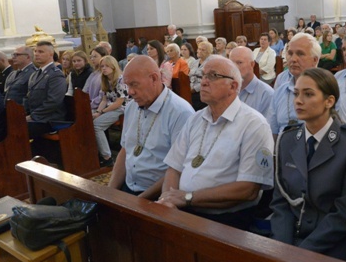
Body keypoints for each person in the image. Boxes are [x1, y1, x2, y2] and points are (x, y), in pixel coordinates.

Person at [158, 56, 274, 231]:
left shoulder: (254, 124)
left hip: (226, 220)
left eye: (213, 76)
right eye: (202, 75)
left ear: (233, 86)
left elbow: (248, 189)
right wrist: (167, 200)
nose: (203, 82)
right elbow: (174, 167)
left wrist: (188, 197)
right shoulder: (195, 119)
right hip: (183, 210)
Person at [271, 68, 346, 262]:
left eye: (308, 94)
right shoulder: (287, 139)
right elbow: (281, 202)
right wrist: (282, 246)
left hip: (333, 244)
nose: (298, 100)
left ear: (329, 101)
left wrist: (302, 252)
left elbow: (345, 212)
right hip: (290, 241)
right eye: (296, 93)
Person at [108, 56, 194, 198]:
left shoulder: (180, 113)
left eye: (134, 85)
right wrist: (110, 192)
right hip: (129, 186)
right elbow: (125, 150)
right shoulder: (131, 107)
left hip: (159, 194)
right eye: (127, 85)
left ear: (154, 78)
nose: (130, 92)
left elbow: (179, 169)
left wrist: (140, 201)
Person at [269, 33, 321, 135]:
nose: (293, 59)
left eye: (300, 54)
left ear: (314, 60)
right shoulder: (280, 92)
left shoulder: (326, 89)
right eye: (290, 53)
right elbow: (273, 132)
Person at [24, 41, 68, 138]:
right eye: (35, 51)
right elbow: (28, 98)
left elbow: (53, 101)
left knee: (19, 129)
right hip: (38, 118)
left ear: (51, 54)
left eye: (41, 52)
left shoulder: (56, 74)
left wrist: (32, 117)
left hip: (50, 119)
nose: (36, 54)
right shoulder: (34, 74)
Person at [92, 55, 128, 166]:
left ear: (113, 67)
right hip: (111, 107)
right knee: (90, 119)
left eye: (107, 66)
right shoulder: (105, 80)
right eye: (102, 66)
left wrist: (102, 112)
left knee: (96, 125)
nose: (104, 68)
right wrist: (97, 112)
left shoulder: (121, 79)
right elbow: (104, 100)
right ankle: (96, 154)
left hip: (122, 108)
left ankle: (107, 157)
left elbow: (119, 102)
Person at [230, 46, 274, 118]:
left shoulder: (266, 94)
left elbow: (267, 126)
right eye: (231, 63)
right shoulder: (226, 89)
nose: (234, 67)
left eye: (239, 62)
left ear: (252, 64)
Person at [83, 46, 108, 111]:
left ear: (103, 56)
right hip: (90, 105)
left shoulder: (106, 73)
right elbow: (85, 90)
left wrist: (91, 104)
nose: (92, 59)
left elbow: (102, 96)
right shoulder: (93, 74)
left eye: (95, 56)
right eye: (91, 57)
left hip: (101, 106)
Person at [189, 41, 213, 110]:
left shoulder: (211, 63)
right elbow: (190, 76)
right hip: (191, 92)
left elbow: (209, 79)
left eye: (203, 50)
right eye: (199, 49)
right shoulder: (195, 62)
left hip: (203, 91)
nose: (199, 51)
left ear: (209, 52)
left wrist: (195, 89)